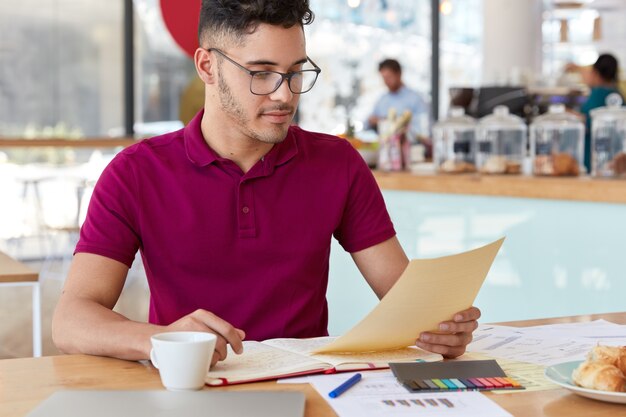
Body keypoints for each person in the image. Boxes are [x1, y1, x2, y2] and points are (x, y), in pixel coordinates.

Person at [52, 0, 480, 367]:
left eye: (296, 72)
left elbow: (406, 298)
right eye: (262, 72)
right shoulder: (135, 173)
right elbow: (71, 319)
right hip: (191, 387)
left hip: (307, 387)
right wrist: (159, 339)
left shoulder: (338, 164)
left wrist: (439, 327)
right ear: (207, 66)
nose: (285, 95)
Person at [567, 53, 624, 172]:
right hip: (618, 158)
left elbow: (587, 120)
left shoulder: (597, 93)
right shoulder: (617, 94)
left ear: (596, 73)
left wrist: (568, 114)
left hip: (594, 156)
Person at [367, 58, 429, 137]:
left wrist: (396, 125)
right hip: (383, 146)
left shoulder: (416, 99)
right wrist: (372, 121)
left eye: (389, 77)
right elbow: (368, 124)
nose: (386, 81)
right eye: (384, 78)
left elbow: (424, 129)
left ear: (399, 74)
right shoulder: (382, 100)